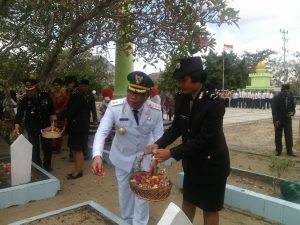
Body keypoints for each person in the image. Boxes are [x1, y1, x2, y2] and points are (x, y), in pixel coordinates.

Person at [148, 57, 230, 225]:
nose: (180, 84)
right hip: (192, 162)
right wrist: (159, 144)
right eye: (179, 80)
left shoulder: (215, 103)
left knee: (209, 209)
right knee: (188, 202)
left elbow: (204, 139)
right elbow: (176, 128)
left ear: (197, 77)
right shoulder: (182, 98)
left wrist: (171, 152)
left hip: (212, 164)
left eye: (183, 80)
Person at [92, 71, 164, 225]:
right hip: (122, 157)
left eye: (138, 93)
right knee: (125, 194)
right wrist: (97, 155)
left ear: (147, 95)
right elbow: (102, 131)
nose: (133, 96)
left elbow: (159, 137)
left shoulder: (155, 110)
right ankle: (126, 221)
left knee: (142, 196)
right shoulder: (115, 106)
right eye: (131, 91)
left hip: (145, 159)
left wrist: (155, 158)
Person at [14, 78, 56, 171]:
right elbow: (19, 113)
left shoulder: (45, 96)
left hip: (46, 126)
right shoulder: (24, 100)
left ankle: (47, 165)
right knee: (34, 147)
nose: (29, 91)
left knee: (47, 146)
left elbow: (51, 109)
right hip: (32, 126)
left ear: (36, 87)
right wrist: (17, 125)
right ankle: (38, 167)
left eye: (31, 89)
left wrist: (53, 121)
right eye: (27, 89)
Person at [63, 79, 92, 179]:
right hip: (75, 127)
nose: (67, 86)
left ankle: (78, 171)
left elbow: (71, 111)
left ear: (73, 84)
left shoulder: (78, 96)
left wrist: (58, 116)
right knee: (74, 150)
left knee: (78, 150)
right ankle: (76, 169)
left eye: (68, 84)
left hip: (79, 127)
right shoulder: (77, 95)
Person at [271, 84, 296, 157]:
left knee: (289, 136)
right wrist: (275, 120)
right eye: (285, 91)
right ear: (282, 91)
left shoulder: (290, 97)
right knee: (278, 136)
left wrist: (292, 113)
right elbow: (274, 111)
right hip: (278, 120)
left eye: (287, 91)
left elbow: (293, 108)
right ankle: (278, 151)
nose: (286, 93)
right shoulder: (276, 98)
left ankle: (289, 151)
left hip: (288, 120)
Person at [49, 78, 69, 154]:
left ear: (60, 86)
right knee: (51, 131)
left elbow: (66, 107)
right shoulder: (50, 95)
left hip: (60, 117)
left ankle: (58, 148)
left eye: (57, 85)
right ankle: (51, 147)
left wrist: (59, 112)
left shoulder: (65, 96)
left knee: (59, 132)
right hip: (51, 116)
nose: (56, 86)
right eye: (54, 85)